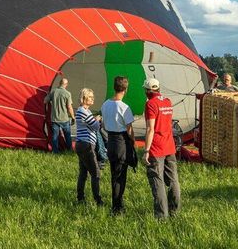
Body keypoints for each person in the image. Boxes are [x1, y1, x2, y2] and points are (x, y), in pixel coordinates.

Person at [142, 77, 180, 219]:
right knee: (173, 180)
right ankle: (174, 211)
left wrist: (146, 150)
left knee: (158, 181)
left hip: (157, 148)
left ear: (147, 91)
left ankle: (161, 217)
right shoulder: (167, 101)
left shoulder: (151, 104)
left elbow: (150, 129)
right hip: (170, 146)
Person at [100, 75, 136, 215]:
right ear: (125, 89)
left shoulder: (105, 104)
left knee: (114, 174)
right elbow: (130, 129)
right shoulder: (124, 107)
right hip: (122, 142)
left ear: (114, 87)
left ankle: (117, 204)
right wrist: (132, 141)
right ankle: (117, 207)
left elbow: (103, 123)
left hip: (111, 141)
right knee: (121, 176)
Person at [74, 88, 104, 206]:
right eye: (90, 97)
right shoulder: (84, 111)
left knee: (83, 173)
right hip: (87, 145)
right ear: (84, 98)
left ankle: (80, 198)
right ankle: (98, 200)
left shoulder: (83, 111)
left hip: (81, 144)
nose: (93, 99)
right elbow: (96, 127)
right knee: (95, 173)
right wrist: (97, 119)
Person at [44, 77, 74, 153]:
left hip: (54, 118)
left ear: (59, 83)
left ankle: (55, 151)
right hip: (64, 119)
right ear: (66, 84)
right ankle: (69, 150)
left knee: (55, 136)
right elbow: (69, 107)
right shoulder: (67, 94)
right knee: (67, 135)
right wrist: (73, 117)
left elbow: (45, 101)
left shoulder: (53, 92)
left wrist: (48, 95)